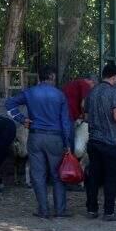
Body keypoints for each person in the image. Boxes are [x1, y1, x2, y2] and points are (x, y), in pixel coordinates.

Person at [6, 65, 72, 219]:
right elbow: (65, 123)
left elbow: (9, 104)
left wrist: (22, 120)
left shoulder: (30, 92)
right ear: (52, 78)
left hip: (35, 137)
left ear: (38, 77)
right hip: (55, 138)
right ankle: (60, 210)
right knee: (57, 175)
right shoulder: (60, 95)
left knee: (37, 175)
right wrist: (67, 143)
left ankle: (43, 210)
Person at [84, 64, 116, 221]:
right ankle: (108, 212)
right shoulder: (113, 92)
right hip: (110, 142)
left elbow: (86, 116)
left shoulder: (92, 92)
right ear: (115, 77)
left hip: (94, 140)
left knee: (93, 176)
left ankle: (91, 209)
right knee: (110, 177)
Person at [61, 74, 96, 154]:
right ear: (92, 82)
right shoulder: (85, 84)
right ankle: (71, 161)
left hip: (63, 113)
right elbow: (83, 104)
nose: (91, 89)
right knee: (70, 139)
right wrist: (85, 116)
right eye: (93, 86)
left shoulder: (76, 83)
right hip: (68, 115)